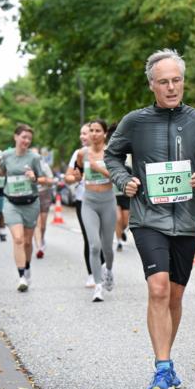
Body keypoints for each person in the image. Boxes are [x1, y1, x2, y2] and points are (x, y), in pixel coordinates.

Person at [105, 48, 195, 389]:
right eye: (164, 82)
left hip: (188, 221)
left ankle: (167, 362)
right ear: (151, 85)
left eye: (176, 81)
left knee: (174, 296)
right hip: (148, 218)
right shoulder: (135, 121)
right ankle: (161, 366)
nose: (171, 87)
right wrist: (123, 179)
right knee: (157, 288)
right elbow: (112, 156)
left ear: (183, 82)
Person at [0, 125, 50, 292]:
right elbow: (2, 172)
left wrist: (34, 177)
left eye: (29, 139)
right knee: (18, 239)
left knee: (27, 241)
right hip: (11, 202)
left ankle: (27, 266)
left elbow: (44, 178)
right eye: (23, 137)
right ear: (15, 137)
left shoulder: (35, 157)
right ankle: (22, 276)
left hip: (30, 203)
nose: (26, 141)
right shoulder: (6, 155)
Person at [68, 120, 118, 302]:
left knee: (107, 247)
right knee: (94, 245)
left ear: (105, 134)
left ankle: (109, 270)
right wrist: (73, 177)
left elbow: (119, 177)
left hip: (108, 202)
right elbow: (70, 175)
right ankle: (98, 286)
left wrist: (99, 168)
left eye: (98, 131)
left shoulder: (112, 153)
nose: (94, 134)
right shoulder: (82, 154)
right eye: (91, 131)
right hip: (88, 202)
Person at [65, 124, 96, 285]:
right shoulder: (78, 154)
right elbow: (67, 178)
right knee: (89, 237)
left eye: (85, 133)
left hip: (103, 200)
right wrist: (76, 178)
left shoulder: (105, 152)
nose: (82, 136)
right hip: (83, 200)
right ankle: (91, 273)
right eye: (81, 133)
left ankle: (103, 266)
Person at [110, 122, 133, 252]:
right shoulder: (109, 150)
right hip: (114, 194)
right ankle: (119, 242)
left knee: (125, 221)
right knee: (117, 218)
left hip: (126, 194)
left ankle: (122, 231)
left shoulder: (127, 142)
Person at [33, 148, 55, 259]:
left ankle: (41, 238)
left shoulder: (44, 166)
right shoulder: (26, 167)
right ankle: (39, 247)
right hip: (32, 196)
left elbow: (52, 181)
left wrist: (42, 180)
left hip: (44, 194)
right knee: (37, 223)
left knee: (43, 224)